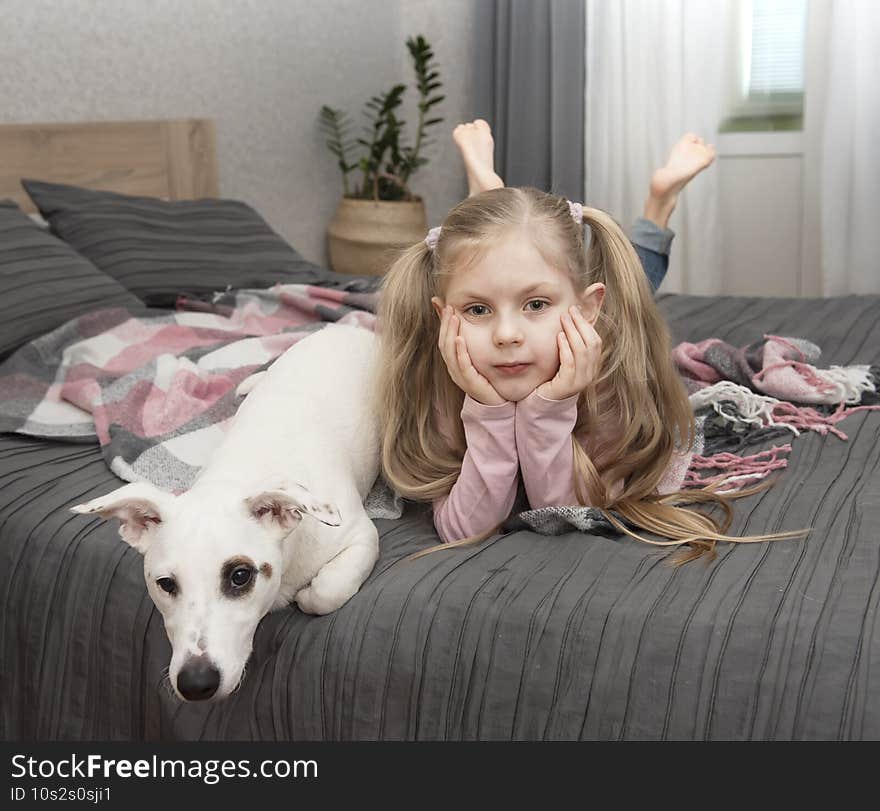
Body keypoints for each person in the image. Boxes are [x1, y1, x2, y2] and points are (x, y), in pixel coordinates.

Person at [374, 120, 800, 561]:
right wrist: (488, 412)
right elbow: (464, 529)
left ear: (587, 309)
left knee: (637, 281)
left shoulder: (611, 371)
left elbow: (565, 512)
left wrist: (549, 408)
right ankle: (489, 197)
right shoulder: (450, 376)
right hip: (529, 319)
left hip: (597, 331)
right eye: (477, 310)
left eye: (535, 304)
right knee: (503, 267)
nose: (506, 336)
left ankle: (659, 204)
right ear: (445, 316)